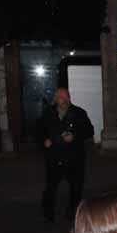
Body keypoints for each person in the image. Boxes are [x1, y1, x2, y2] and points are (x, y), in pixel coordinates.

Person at [39, 88, 94, 222]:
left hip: (74, 158)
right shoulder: (48, 113)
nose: (64, 100)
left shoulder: (79, 113)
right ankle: (48, 214)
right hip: (55, 157)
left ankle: (72, 214)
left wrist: (74, 136)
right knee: (51, 187)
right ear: (55, 99)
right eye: (61, 97)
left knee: (76, 188)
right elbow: (39, 130)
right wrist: (44, 140)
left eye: (66, 97)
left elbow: (89, 130)